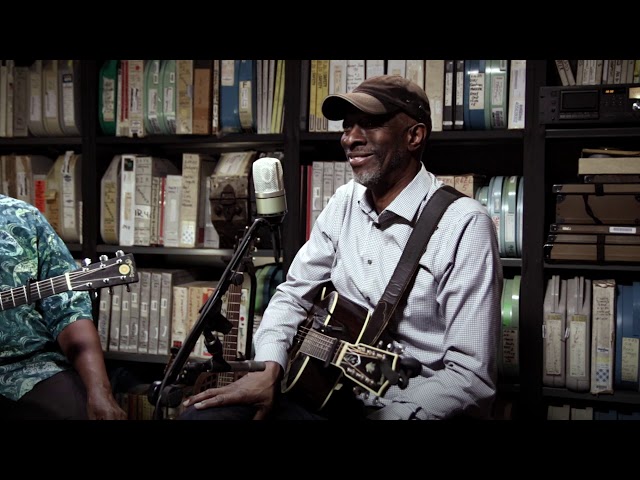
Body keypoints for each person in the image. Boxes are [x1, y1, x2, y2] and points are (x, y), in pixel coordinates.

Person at [179, 75, 503, 421]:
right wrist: (270, 367)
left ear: (414, 136)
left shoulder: (464, 225)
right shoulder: (345, 200)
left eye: (369, 124)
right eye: (347, 126)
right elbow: (292, 295)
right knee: (202, 416)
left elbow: (469, 377)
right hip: (319, 391)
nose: (350, 138)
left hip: (404, 408)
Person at [0, 194, 126, 420]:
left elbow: (68, 310)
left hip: (27, 366)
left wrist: (100, 391)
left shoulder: (21, 218)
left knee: (75, 410)